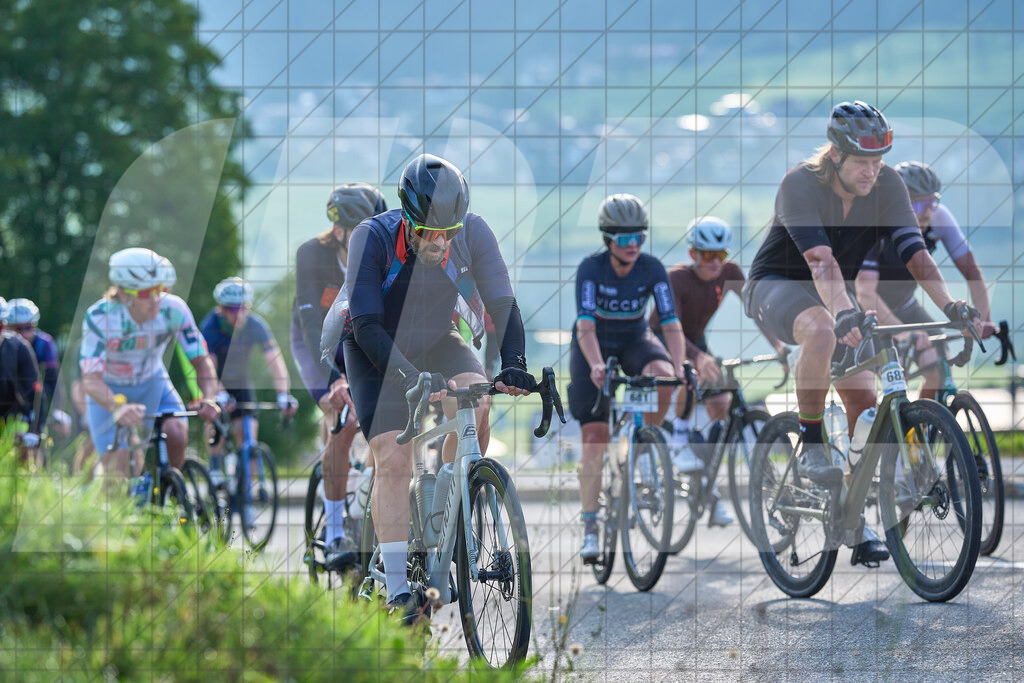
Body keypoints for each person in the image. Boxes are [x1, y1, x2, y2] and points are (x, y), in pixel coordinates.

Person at [742, 101, 980, 567]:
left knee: (865, 408)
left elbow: (916, 254)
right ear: (834, 154)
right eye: (862, 162)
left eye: (879, 160)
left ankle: (851, 519)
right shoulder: (799, 184)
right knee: (823, 328)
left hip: (837, 296)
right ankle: (811, 442)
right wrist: (845, 310)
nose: (873, 171)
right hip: (777, 286)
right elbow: (820, 261)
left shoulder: (888, 184)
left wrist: (951, 306)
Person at [332, 153, 533, 619]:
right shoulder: (373, 236)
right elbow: (363, 323)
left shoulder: (474, 231)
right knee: (395, 454)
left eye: (449, 233)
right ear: (407, 217)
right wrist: (409, 376)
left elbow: (502, 303)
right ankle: (398, 587)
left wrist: (515, 363)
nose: (440, 241)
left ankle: (448, 515)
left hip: (439, 339)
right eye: (429, 232)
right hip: (373, 349)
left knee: (477, 400)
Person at [569, 193, 690, 563]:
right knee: (594, 436)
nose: (634, 245)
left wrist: (681, 367)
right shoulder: (591, 269)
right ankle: (590, 525)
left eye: (640, 237)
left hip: (635, 339)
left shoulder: (652, 268)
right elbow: (585, 327)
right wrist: (594, 365)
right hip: (595, 344)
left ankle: (644, 444)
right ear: (608, 239)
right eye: (625, 239)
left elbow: (670, 325)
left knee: (664, 376)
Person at [649, 216, 790, 526]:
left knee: (722, 402)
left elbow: (757, 311)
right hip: (663, 338)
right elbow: (670, 327)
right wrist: (697, 358)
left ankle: (707, 481)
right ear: (693, 255)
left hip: (696, 339)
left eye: (721, 255)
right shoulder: (677, 278)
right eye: (708, 256)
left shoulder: (730, 273)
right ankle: (679, 442)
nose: (715, 263)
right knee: (689, 374)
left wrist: (779, 345)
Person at [291, 182, 387, 570]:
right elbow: (313, 323)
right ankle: (332, 532)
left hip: (359, 338)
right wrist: (333, 379)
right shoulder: (312, 255)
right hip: (315, 343)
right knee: (343, 422)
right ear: (339, 231)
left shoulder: (379, 253)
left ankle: (372, 511)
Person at [856, 161, 994, 399]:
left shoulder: (939, 217)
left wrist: (983, 319)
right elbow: (865, 293)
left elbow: (972, 272)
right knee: (892, 382)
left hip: (906, 305)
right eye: (919, 204)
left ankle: (920, 430)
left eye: (932, 202)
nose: (928, 211)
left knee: (939, 368)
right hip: (867, 310)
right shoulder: (874, 223)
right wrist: (901, 333)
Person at [79, 248, 221, 480]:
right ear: (125, 295)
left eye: (159, 289)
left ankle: (171, 495)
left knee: (176, 432)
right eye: (147, 293)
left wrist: (209, 398)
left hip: (153, 383)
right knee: (117, 472)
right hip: (110, 391)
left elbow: (202, 361)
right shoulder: (100, 317)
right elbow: (91, 381)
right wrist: (117, 407)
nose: (156, 299)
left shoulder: (174, 309)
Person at [200, 277, 297, 491]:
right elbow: (208, 369)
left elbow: (275, 362)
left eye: (243, 308)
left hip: (242, 383)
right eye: (233, 309)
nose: (239, 314)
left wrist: (284, 394)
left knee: (248, 435)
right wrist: (220, 394)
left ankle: (246, 491)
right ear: (221, 309)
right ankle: (215, 469)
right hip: (214, 380)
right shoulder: (210, 326)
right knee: (213, 416)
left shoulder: (255, 324)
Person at [6, 298, 72, 437]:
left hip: (35, 398)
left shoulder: (44, 344)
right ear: (8, 327)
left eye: (29, 327)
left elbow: (54, 379)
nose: (24, 333)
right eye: (19, 328)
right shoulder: (4, 345)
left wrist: (58, 410)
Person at [0, 297, 43, 462]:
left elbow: (36, 393)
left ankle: (34, 484)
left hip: (13, 414)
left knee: (27, 453)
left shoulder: (19, 347)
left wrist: (35, 430)